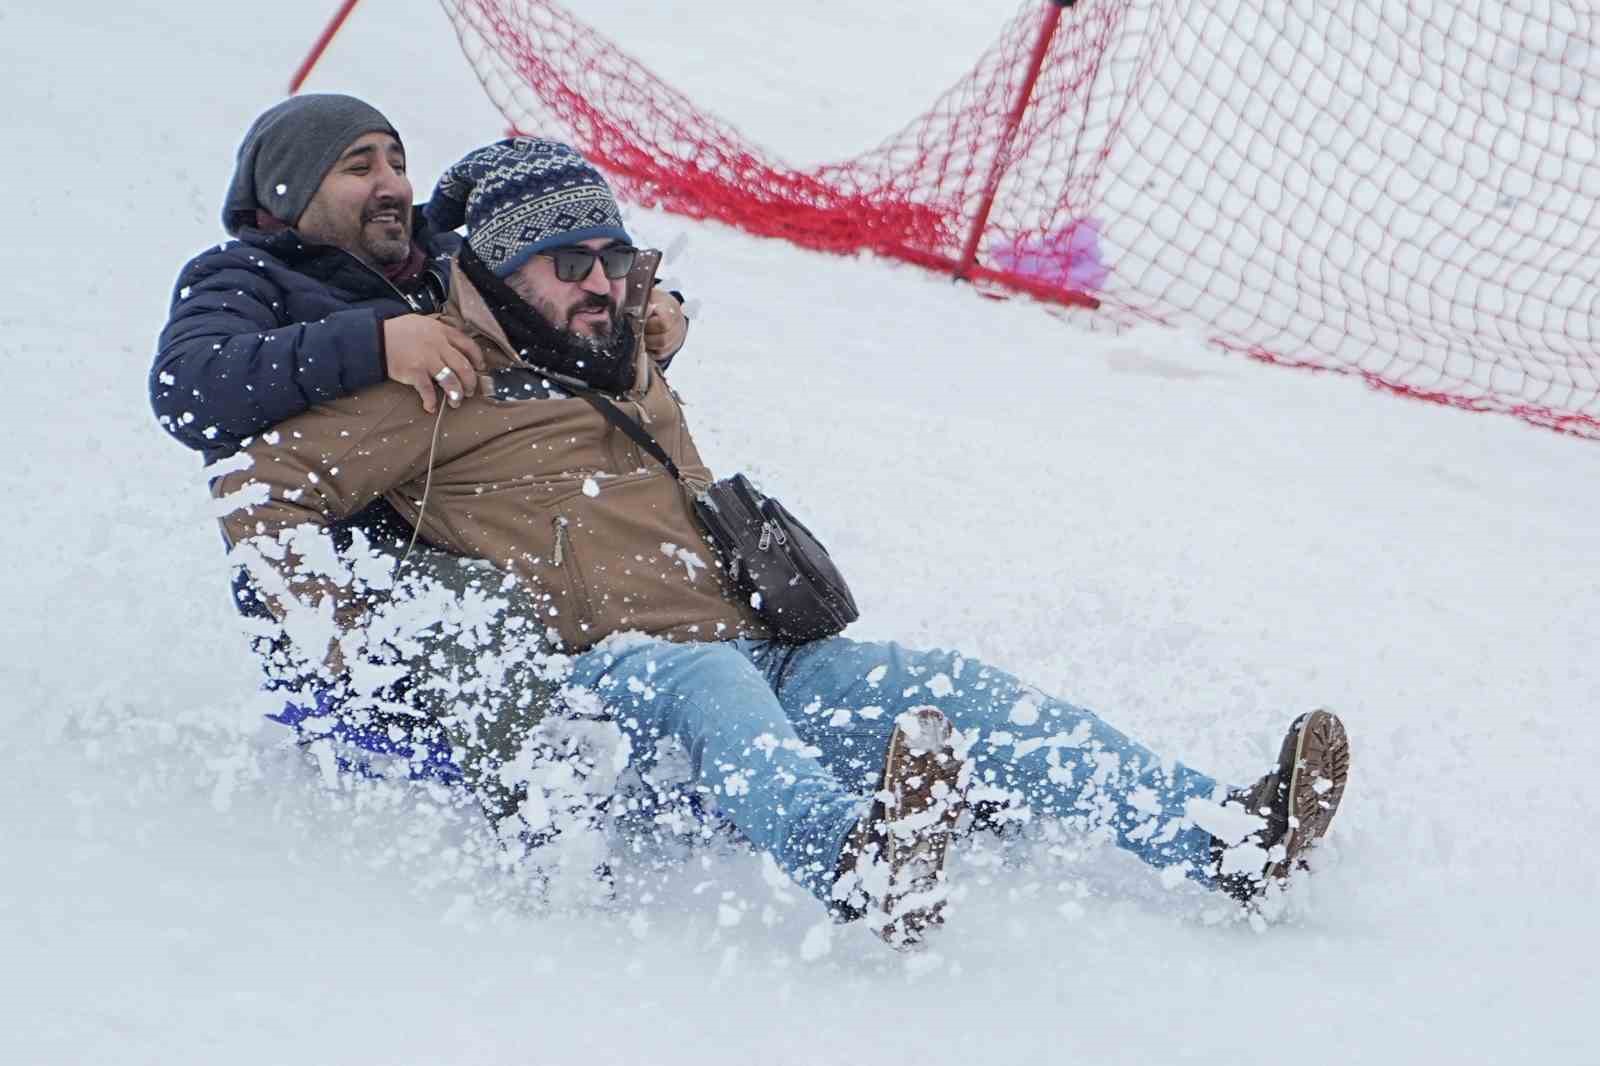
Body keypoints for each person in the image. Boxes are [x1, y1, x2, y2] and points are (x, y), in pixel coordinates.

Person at [208, 137, 1351, 949]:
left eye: (611, 256)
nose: (600, 282)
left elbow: (647, 328)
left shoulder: (625, 351)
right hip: (598, 685)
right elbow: (257, 483)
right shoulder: (434, 379)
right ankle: (853, 861)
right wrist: (349, 634)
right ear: (497, 274)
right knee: (708, 678)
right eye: (569, 264)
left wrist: (657, 313)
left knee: (940, 683)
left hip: (755, 646)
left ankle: (1223, 834)